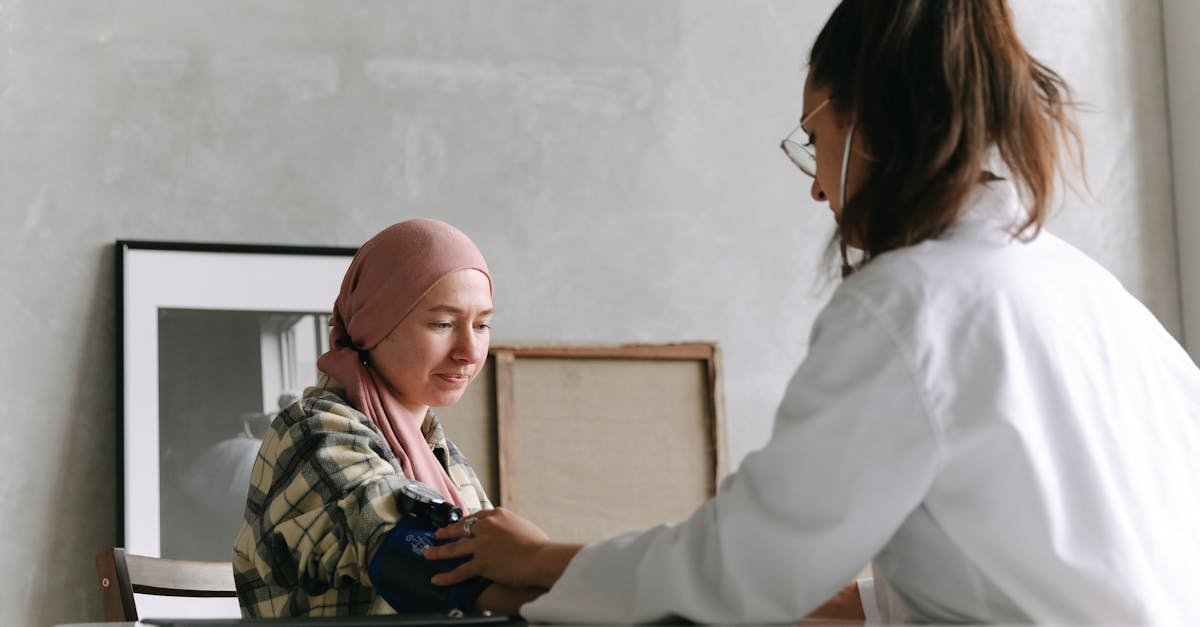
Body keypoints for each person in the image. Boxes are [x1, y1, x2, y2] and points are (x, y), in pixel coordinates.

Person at [423, 1, 1200, 624]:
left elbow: (740, 571)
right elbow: (964, 577)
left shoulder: (909, 306)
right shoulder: (1096, 297)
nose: (817, 185)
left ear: (869, 123)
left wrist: (541, 559)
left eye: (813, 138)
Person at [231, 219, 541, 617]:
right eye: (442, 324)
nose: (469, 350)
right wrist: (563, 577)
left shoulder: (443, 457)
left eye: (481, 325)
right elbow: (417, 557)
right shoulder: (314, 431)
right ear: (373, 324)